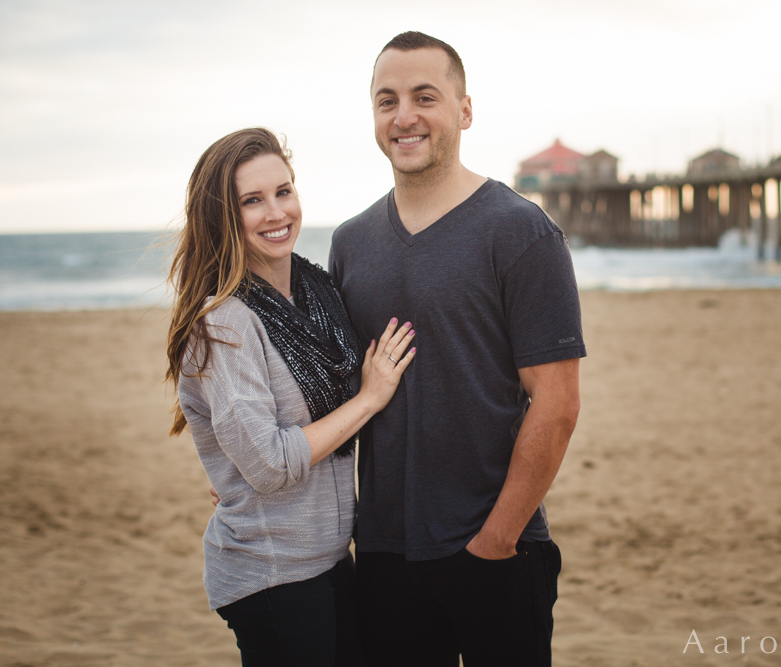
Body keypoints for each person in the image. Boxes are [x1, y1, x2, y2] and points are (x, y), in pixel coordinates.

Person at [329, 32, 586, 667]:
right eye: (386, 101)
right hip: (384, 553)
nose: (404, 116)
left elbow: (555, 403)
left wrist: (496, 540)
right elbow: (333, 390)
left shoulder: (521, 231)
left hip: (495, 546)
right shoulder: (351, 242)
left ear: (464, 111)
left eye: (425, 97)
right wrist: (248, 469)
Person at [166, 127, 414, 666]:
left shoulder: (315, 290)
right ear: (223, 218)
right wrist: (370, 398)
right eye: (251, 201)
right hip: (272, 574)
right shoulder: (225, 323)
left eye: (283, 191)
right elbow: (272, 465)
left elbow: (265, 450)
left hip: (327, 560)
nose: (276, 212)